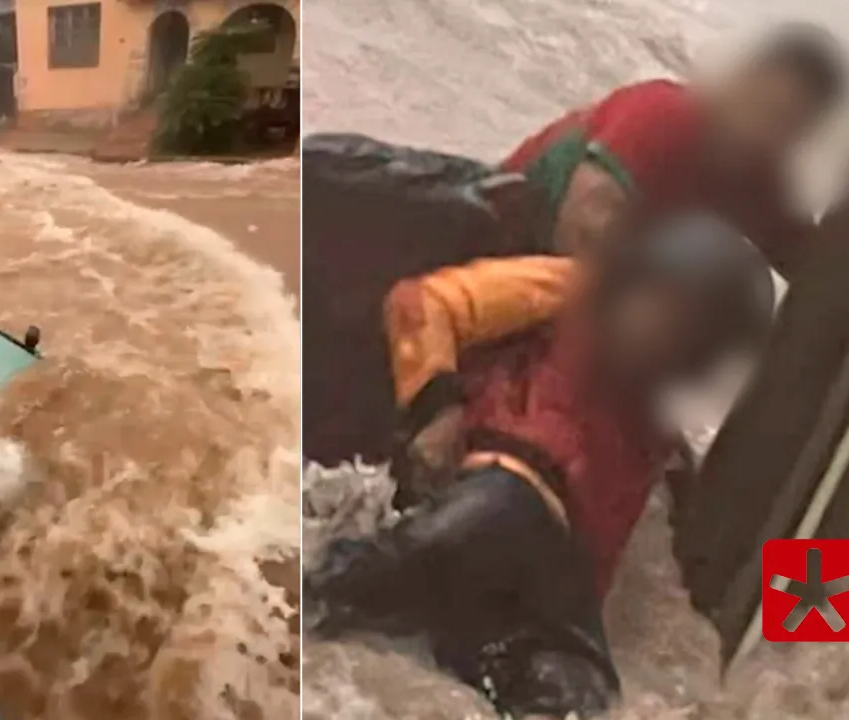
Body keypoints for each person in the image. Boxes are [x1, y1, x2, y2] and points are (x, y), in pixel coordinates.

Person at [307, 212, 775, 719]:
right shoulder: (570, 288)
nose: (660, 332)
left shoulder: (661, 438)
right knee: (471, 524)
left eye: (690, 329)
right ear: (631, 280)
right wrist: (437, 409)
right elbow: (425, 302)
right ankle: (298, 596)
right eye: (660, 306)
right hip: (486, 508)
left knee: (586, 699)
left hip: (546, 590)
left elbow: (694, 560)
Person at [505, 22, 849, 277]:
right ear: (742, 80)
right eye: (769, 109)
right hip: (499, 247)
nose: (767, 133)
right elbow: (580, 230)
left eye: (792, 128)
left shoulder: (761, 180)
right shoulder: (662, 115)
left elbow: (814, 274)